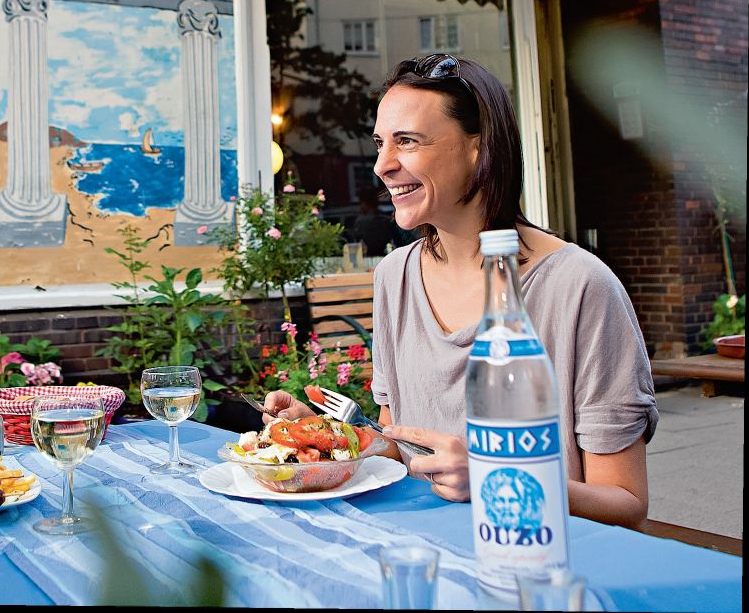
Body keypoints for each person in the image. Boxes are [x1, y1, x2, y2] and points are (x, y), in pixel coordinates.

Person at [265, 54, 656, 529]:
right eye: (380, 144)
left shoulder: (579, 286)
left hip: (539, 562)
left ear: (479, 148)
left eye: (406, 141)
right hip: (421, 550)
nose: (382, 166)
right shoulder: (394, 276)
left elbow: (626, 502)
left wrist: (492, 478)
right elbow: (401, 447)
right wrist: (325, 434)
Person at [351, 186, 402, 256]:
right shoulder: (387, 220)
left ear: (364, 203)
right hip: (384, 257)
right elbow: (398, 241)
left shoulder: (360, 221)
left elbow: (355, 244)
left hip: (367, 258)